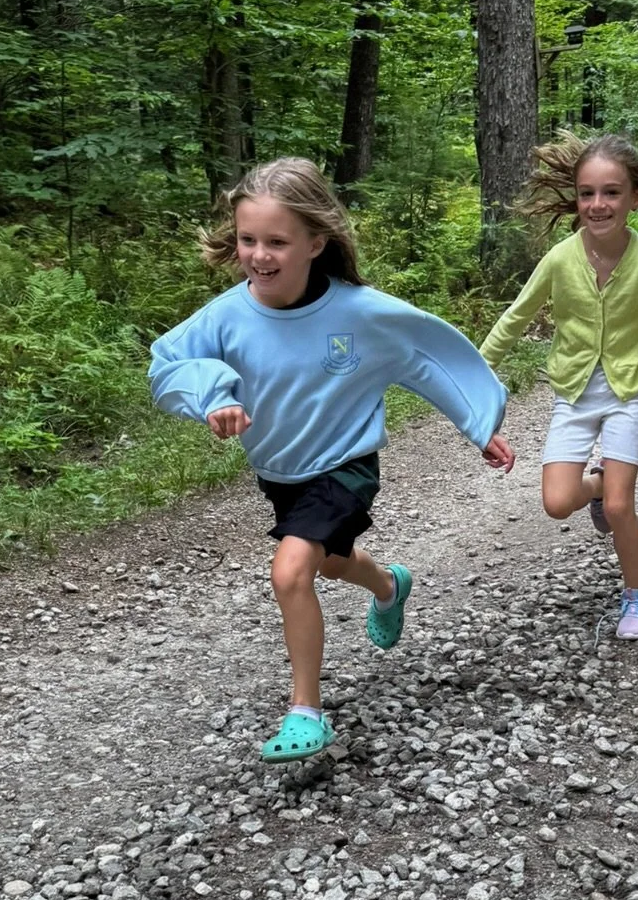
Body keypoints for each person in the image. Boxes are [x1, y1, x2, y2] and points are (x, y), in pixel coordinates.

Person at [150, 158, 516, 761]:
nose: (259, 255)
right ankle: (388, 584)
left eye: (276, 242)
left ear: (315, 243)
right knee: (329, 561)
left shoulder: (358, 312)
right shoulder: (226, 315)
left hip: (346, 464)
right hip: (280, 472)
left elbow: (426, 356)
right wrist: (211, 395)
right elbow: (167, 367)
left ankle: (305, 712)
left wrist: (478, 423)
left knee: (291, 569)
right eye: (248, 240)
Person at [479, 133, 638, 640]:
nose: (597, 205)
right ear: (577, 199)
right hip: (573, 395)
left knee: (623, 507)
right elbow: (513, 321)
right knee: (557, 503)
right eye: (587, 193)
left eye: (611, 192)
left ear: (635, 197)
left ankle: (637, 595)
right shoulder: (560, 259)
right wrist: (471, 379)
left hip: (627, 396)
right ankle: (599, 483)